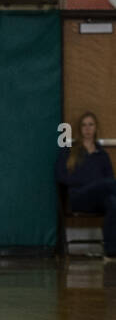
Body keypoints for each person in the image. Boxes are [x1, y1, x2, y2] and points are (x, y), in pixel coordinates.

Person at [55, 111, 116, 259]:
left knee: (114, 202)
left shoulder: (102, 155)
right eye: (84, 125)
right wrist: (86, 181)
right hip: (78, 197)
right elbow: (61, 176)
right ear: (79, 128)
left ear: (96, 128)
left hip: (98, 198)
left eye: (91, 125)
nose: (87, 129)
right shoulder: (69, 151)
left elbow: (109, 180)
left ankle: (112, 252)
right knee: (107, 184)